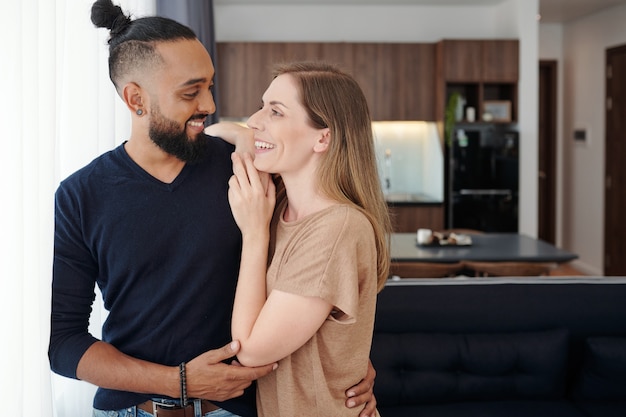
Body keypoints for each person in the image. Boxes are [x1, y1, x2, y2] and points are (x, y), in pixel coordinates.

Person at [48, 1, 377, 417]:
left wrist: (348, 363)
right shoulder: (80, 196)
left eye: (209, 86)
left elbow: (319, 270)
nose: (208, 104)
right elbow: (62, 343)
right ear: (136, 99)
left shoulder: (249, 173)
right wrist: (178, 381)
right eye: (191, 92)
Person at [206, 61, 392, 416]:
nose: (255, 118)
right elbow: (221, 135)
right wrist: (250, 135)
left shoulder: (337, 228)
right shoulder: (279, 206)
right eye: (262, 106)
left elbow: (249, 350)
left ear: (323, 137)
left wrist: (255, 233)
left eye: (276, 111)